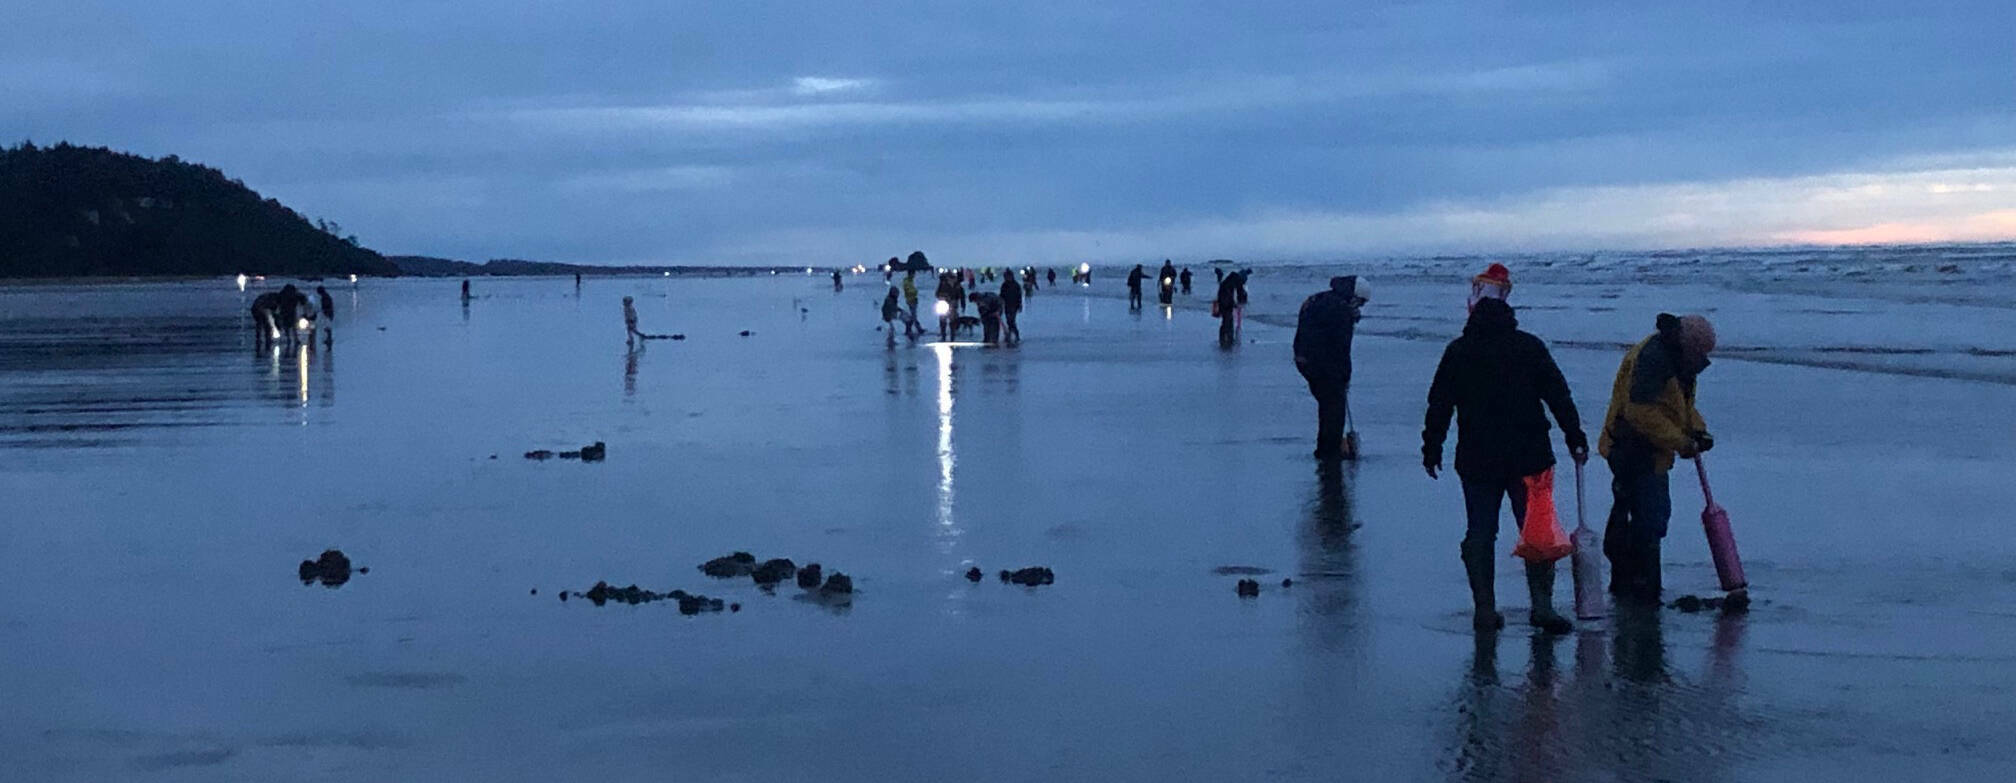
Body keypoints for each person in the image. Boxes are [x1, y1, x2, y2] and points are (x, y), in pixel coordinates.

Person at [1422, 297, 1588, 634]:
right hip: (1531, 456)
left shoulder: (1459, 351)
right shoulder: (1528, 347)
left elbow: (1439, 403)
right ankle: (1542, 607)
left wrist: (1432, 446)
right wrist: (1574, 434)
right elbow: (1558, 394)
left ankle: (1484, 608)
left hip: (1477, 458)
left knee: (1480, 532)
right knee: (1538, 533)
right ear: (1510, 319)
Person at [1598, 313, 1717, 606]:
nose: (1702, 360)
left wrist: (1697, 430)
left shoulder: (1677, 358)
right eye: (1700, 352)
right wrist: (1681, 442)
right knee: (1646, 519)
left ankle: (1637, 585)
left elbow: (1679, 405)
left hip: (1650, 450)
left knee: (1648, 518)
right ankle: (1640, 589)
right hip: (1630, 448)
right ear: (1687, 343)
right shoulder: (1653, 359)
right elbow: (1640, 411)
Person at [1294, 276, 1370, 461]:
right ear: (1353, 296)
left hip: (1304, 359)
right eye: (1360, 302)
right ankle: (1330, 451)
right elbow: (1341, 347)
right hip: (1323, 363)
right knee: (1334, 407)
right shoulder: (1340, 310)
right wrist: (1345, 375)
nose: (1360, 307)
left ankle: (1326, 448)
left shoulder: (1318, 298)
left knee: (1327, 404)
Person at [1214, 270, 1246, 346]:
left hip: (1224, 305)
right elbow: (1228, 297)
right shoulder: (1229, 284)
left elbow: (1226, 296)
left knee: (1227, 322)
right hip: (1226, 306)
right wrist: (1233, 303)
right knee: (1227, 322)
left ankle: (1225, 338)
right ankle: (1227, 339)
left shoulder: (1226, 283)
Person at [1000, 273, 1023, 344]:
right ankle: (1010, 335)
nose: (1006, 278)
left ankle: (1015, 335)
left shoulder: (1016, 285)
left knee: (1011, 321)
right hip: (1007, 305)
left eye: (1007, 277)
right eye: (1005, 277)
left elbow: (1019, 296)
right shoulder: (1004, 285)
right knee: (1009, 321)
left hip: (1014, 306)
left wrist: (1019, 305)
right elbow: (1001, 295)